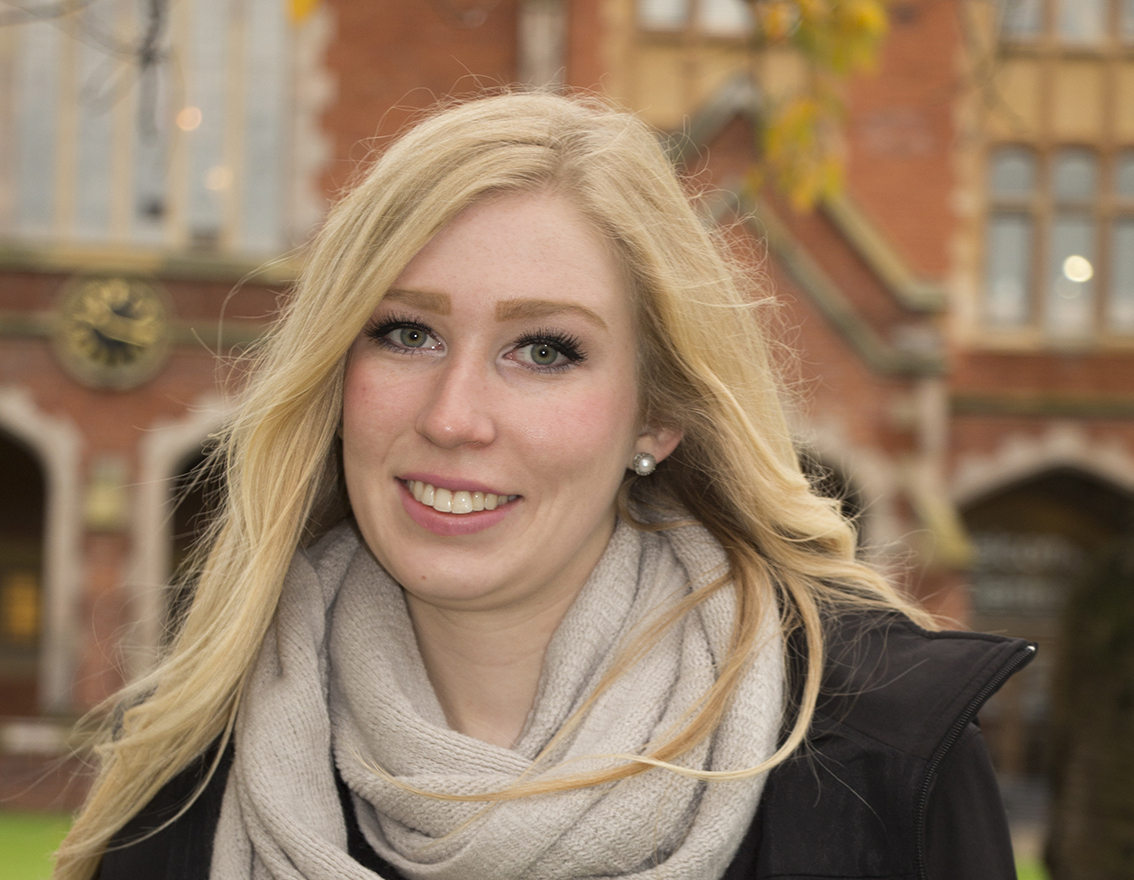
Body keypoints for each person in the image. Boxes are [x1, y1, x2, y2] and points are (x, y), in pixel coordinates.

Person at [56, 92, 1033, 880]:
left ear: (655, 415)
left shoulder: (884, 756)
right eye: (406, 331)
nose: (453, 414)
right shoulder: (187, 780)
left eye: (544, 349)